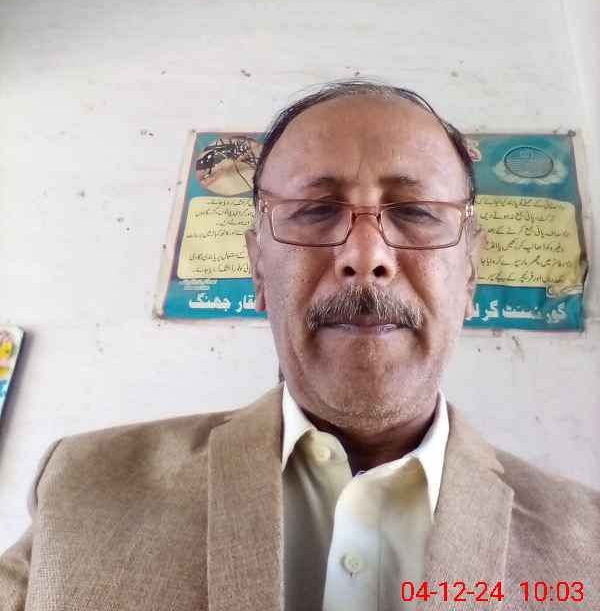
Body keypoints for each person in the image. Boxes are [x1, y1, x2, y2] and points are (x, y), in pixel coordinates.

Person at [1, 80, 598, 611]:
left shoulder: (588, 545)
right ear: (258, 269)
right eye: (314, 211)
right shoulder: (86, 488)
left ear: (470, 274)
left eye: (417, 212)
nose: (366, 256)